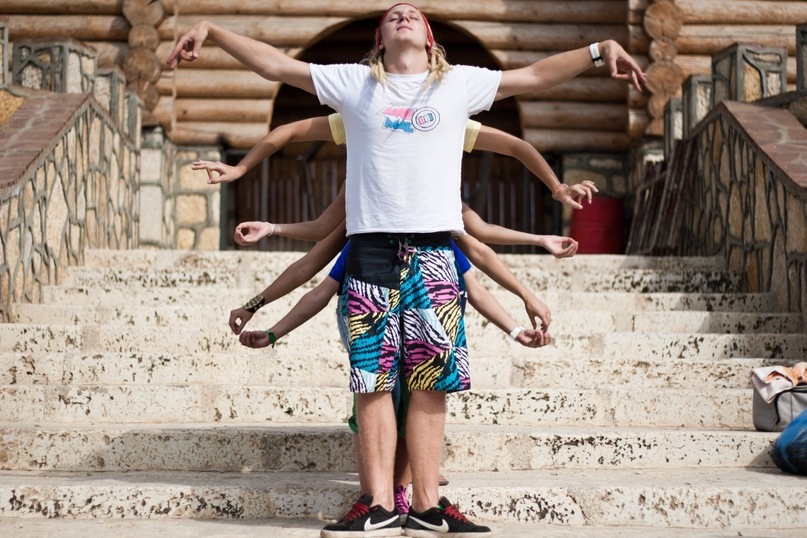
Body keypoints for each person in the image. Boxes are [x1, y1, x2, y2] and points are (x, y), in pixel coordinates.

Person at [167, 4, 646, 536]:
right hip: (370, 253)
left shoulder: (457, 85)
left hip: (436, 255)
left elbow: (534, 76)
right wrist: (211, 30)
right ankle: (376, 504)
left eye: (413, 14)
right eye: (393, 14)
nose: (403, 14)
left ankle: (425, 506)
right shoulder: (353, 85)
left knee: (430, 382)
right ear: (379, 39)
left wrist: (599, 51)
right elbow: (276, 66)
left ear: (430, 39)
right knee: (371, 382)